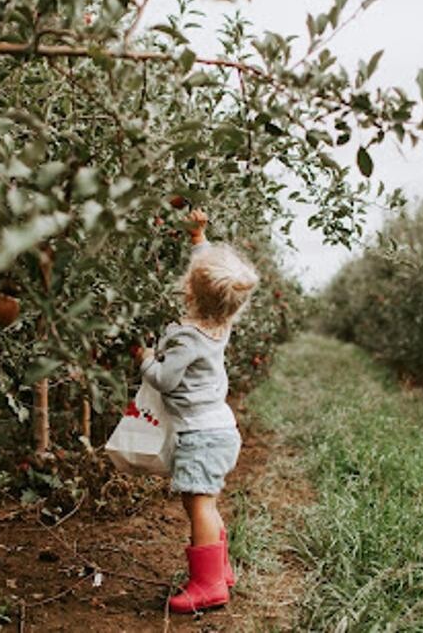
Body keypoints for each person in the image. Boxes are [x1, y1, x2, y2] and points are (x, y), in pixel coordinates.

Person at [134, 208, 259, 614]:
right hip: (219, 430)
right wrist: (198, 238)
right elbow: (206, 276)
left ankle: (208, 585)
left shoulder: (187, 336)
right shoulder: (219, 324)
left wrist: (145, 359)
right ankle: (220, 572)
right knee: (207, 503)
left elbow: (165, 380)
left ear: (190, 290)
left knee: (199, 505)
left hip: (201, 437)